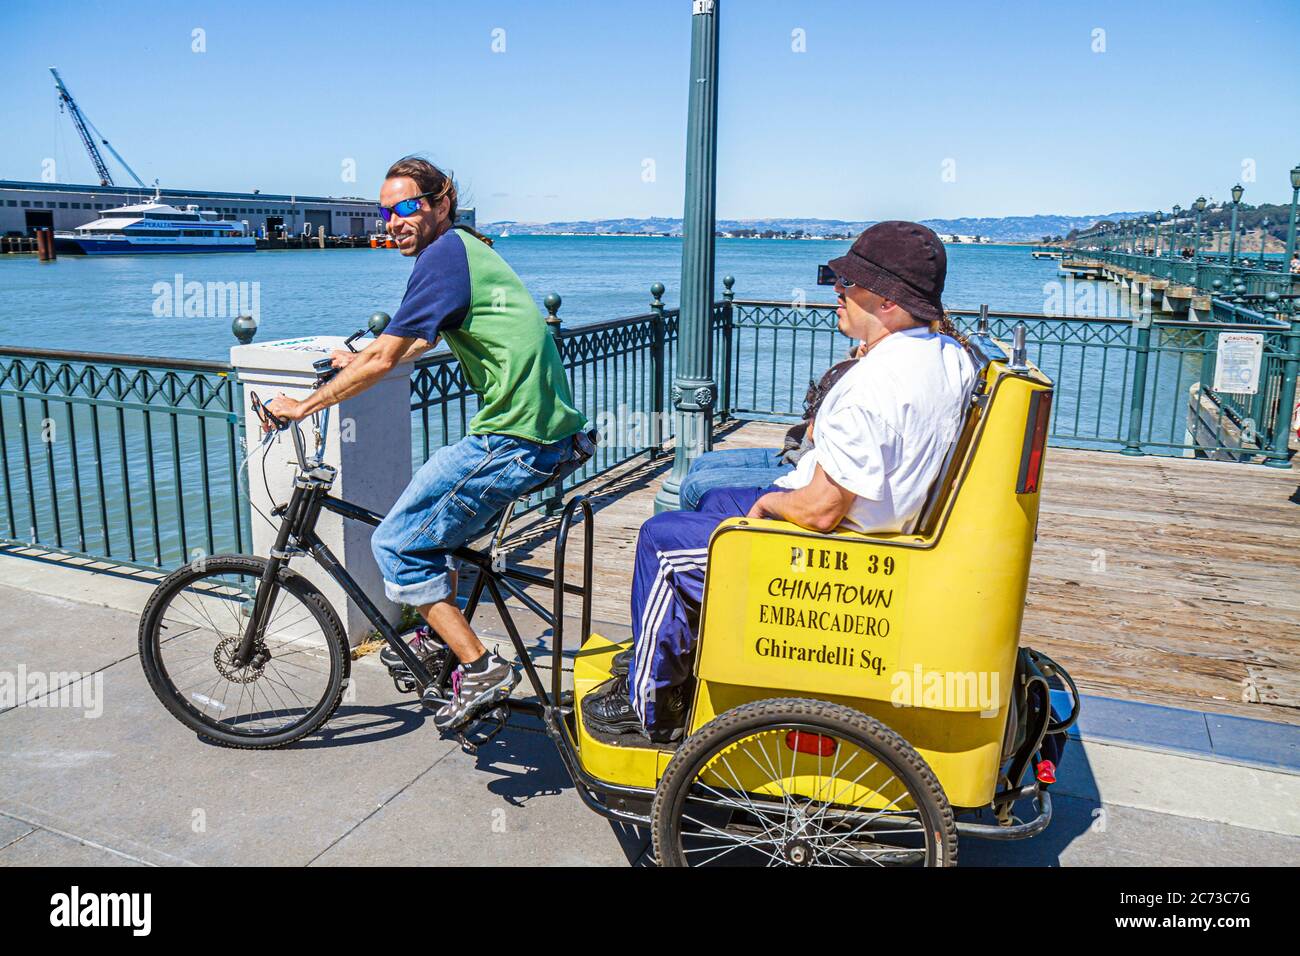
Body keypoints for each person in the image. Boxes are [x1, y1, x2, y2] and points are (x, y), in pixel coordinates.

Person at [583, 221, 976, 740]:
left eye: (850, 284)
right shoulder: (948, 357)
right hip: (885, 532)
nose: (837, 292)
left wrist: (771, 504)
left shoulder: (875, 385)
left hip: (838, 551)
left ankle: (649, 706)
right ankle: (678, 660)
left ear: (888, 301)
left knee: (662, 543)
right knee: (718, 498)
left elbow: (820, 511)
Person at [265, 156, 587, 733]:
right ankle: (435, 638)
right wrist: (356, 359)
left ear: (442, 202)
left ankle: (482, 666)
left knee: (396, 543)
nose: (394, 221)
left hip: (515, 439)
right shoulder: (462, 249)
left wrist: (302, 406)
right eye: (385, 211)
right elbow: (409, 342)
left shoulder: (443, 258)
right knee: (428, 537)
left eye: (407, 206)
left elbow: (390, 354)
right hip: (543, 434)